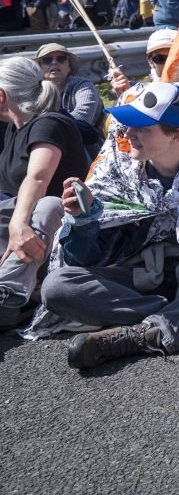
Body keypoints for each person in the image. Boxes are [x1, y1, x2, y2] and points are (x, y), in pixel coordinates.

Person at [38, 81, 179, 367]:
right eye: (126, 125)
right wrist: (83, 220)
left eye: (143, 128)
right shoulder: (118, 174)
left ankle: (146, 334)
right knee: (57, 287)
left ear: (177, 135)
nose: (128, 134)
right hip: (147, 280)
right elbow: (84, 259)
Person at [0, 57, 88, 329]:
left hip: (69, 224)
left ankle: (7, 293)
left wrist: (17, 223)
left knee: (49, 204)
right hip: (27, 228)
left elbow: (38, 177)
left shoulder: (50, 123)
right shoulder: (12, 129)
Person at [33, 43, 103, 149]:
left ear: (69, 66)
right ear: (39, 67)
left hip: (86, 148)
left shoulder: (84, 86)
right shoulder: (33, 91)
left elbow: (82, 120)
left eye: (61, 59)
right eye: (47, 60)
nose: (54, 63)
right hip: (44, 143)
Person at [109, 28, 177, 96]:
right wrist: (124, 96)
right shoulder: (139, 92)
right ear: (150, 62)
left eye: (174, 57)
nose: (168, 63)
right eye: (160, 59)